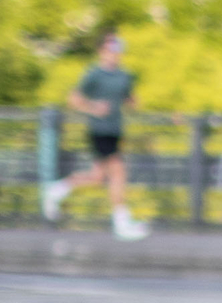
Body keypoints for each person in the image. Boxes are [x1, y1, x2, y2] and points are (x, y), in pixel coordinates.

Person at [41, 32, 147, 239]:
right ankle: (121, 225)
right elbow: (73, 99)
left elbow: (128, 99)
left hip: (115, 132)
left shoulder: (124, 76)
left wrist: (134, 102)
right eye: (110, 49)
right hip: (99, 131)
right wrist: (93, 107)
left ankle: (56, 190)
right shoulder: (94, 74)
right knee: (118, 173)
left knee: (97, 178)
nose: (113, 54)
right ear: (101, 51)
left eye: (117, 50)